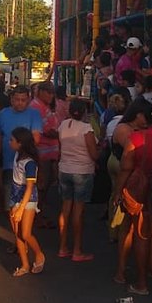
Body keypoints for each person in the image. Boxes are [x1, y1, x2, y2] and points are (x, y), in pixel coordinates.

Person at [114, 97, 152, 296]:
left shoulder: (136, 138)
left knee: (137, 233)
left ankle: (140, 282)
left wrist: (118, 192)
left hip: (140, 192)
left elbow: (125, 168)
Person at [56, 97, 99, 262]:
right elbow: (94, 154)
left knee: (66, 207)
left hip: (64, 169)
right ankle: (77, 250)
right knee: (78, 211)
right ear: (85, 113)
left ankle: (62, 246)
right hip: (82, 171)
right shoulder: (86, 129)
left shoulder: (63, 126)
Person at [0, 86, 43, 212]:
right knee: (10, 203)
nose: (20, 103)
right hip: (8, 164)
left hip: (27, 164)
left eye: (23, 100)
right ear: (11, 99)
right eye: (17, 99)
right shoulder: (4, 113)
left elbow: (36, 139)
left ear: (29, 99)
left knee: (27, 201)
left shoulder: (34, 114)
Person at [8, 127, 45, 277]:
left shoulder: (29, 163)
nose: (9, 142)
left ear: (20, 143)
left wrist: (20, 208)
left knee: (25, 233)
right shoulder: (18, 155)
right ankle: (24, 264)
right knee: (18, 234)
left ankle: (39, 254)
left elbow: (30, 187)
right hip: (15, 196)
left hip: (27, 199)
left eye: (12, 140)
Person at [31, 81, 60, 228]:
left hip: (49, 153)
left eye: (52, 92)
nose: (51, 95)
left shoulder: (44, 106)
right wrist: (62, 135)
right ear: (40, 91)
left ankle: (38, 213)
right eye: (48, 92)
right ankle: (36, 216)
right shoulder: (36, 107)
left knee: (46, 185)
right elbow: (46, 131)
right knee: (41, 185)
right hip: (41, 154)